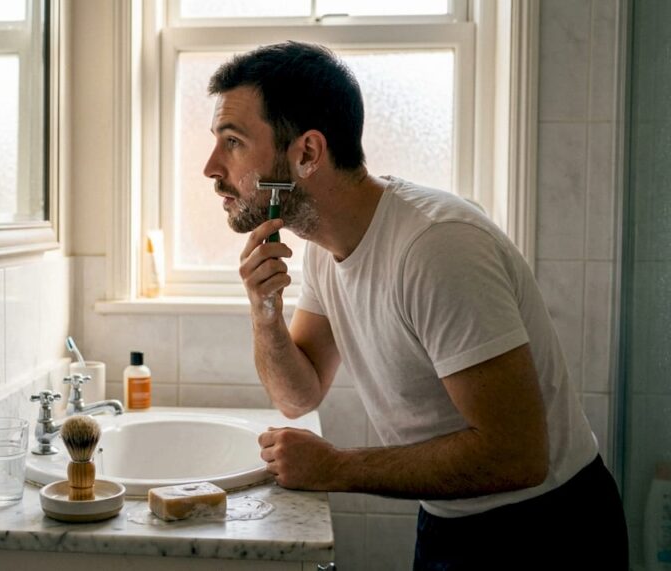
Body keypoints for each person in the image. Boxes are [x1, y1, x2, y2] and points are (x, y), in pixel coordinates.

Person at [203, 41, 628, 570]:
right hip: (449, 517)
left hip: (547, 532)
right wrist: (263, 310)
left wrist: (335, 467)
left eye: (234, 143)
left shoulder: (436, 247)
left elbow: (517, 455)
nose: (211, 168)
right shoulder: (324, 247)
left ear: (307, 153)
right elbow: (299, 393)